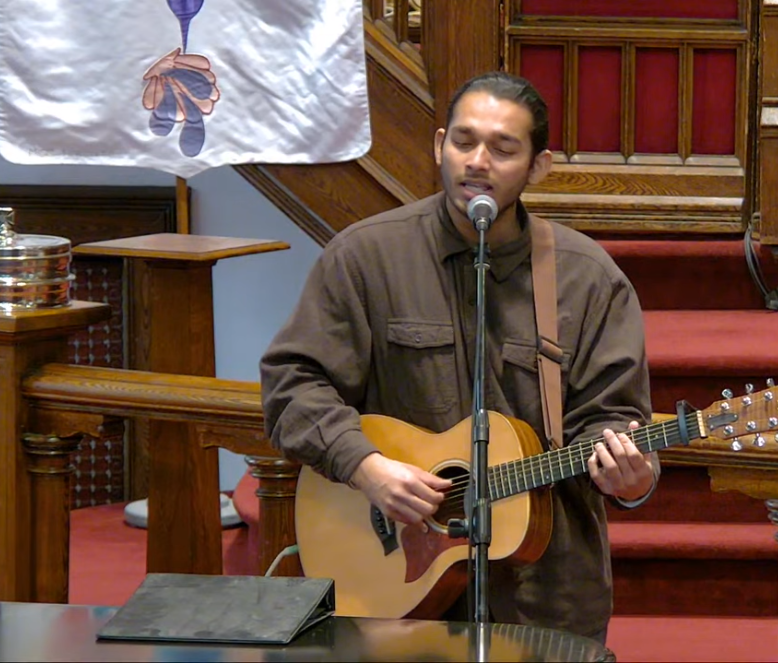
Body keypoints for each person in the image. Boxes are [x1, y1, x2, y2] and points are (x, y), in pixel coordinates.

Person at [259, 71, 657, 643]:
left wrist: (629, 475)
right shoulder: (365, 256)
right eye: (463, 141)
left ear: (538, 166)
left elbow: (614, 418)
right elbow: (293, 384)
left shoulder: (588, 279)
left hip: (542, 595)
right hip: (391, 589)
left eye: (503, 148)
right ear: (438, 144)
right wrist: (367, 468)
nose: (477, 161)